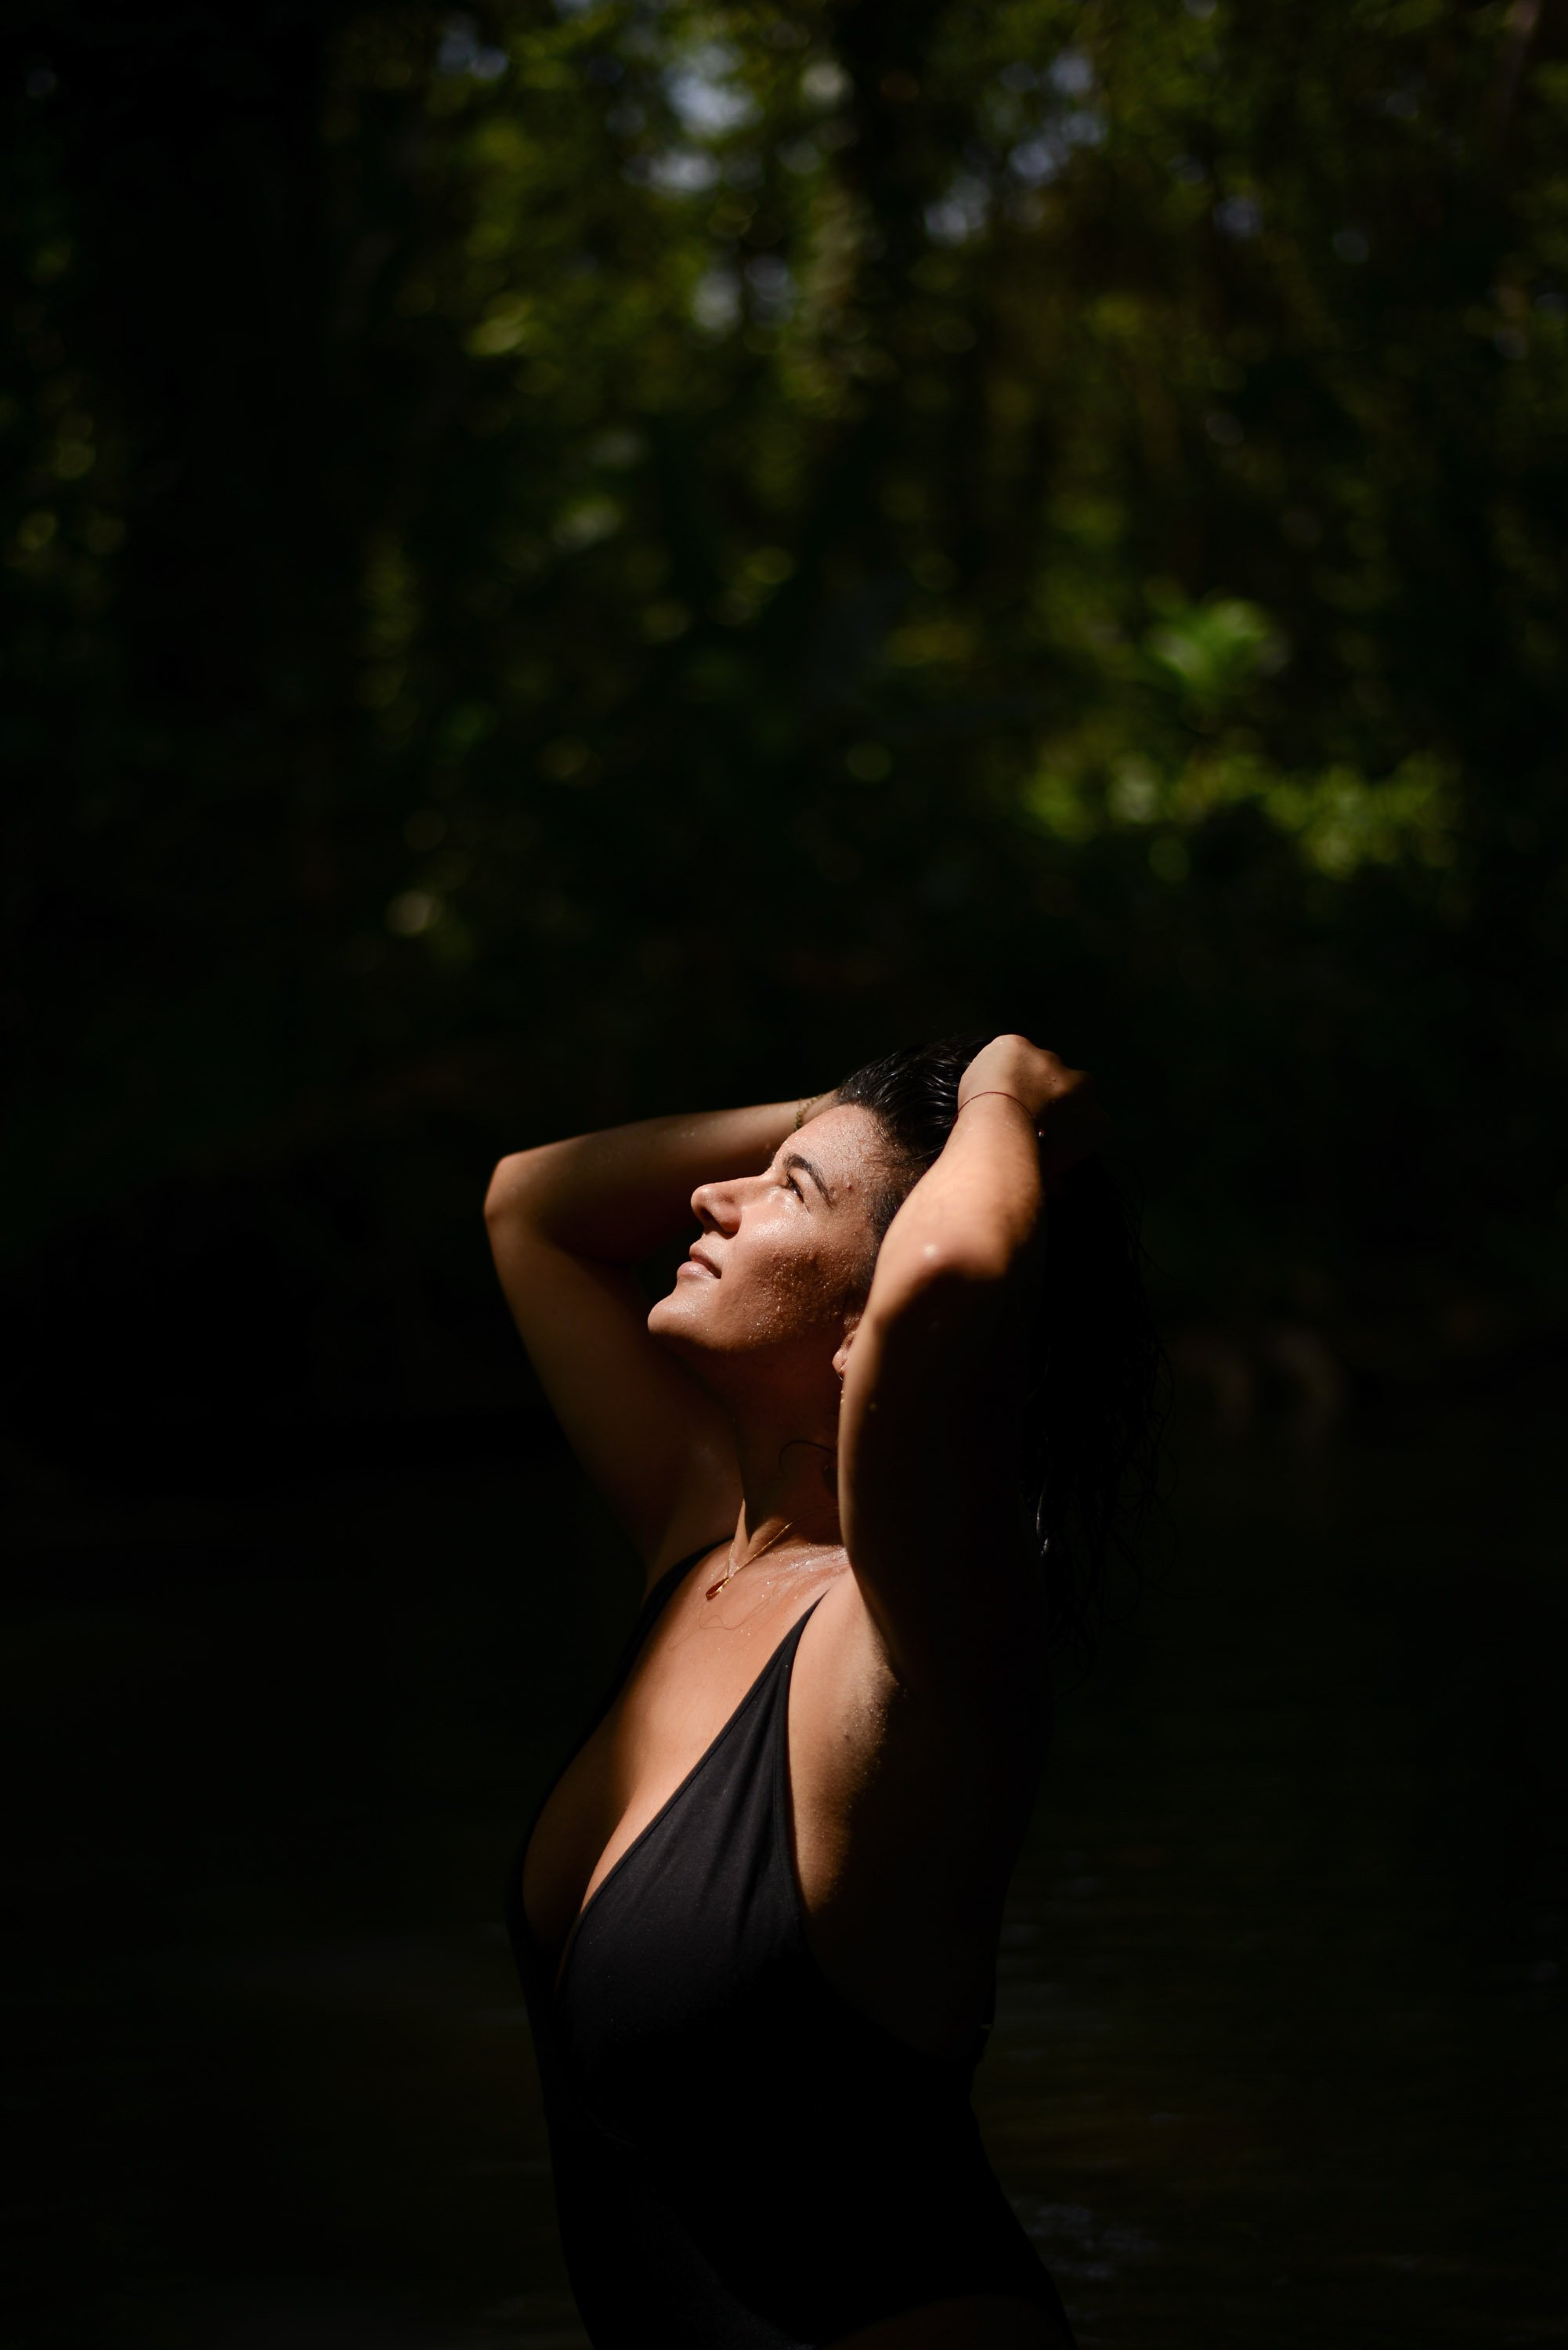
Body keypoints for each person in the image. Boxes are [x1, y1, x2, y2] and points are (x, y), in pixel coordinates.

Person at [485, 1032, 1161, 2350]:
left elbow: (953, 1273)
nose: (712, 1194)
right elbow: (534, 1205)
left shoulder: (923, 1636)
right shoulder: (703, 1542)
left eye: (785, 1190)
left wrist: (1001, 1086)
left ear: (865, 1326)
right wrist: (844, 1115)